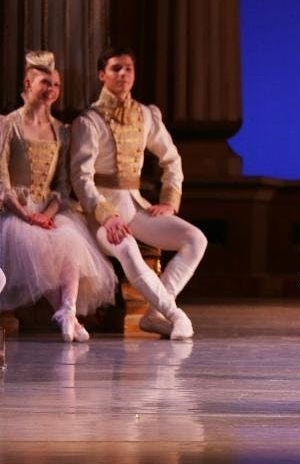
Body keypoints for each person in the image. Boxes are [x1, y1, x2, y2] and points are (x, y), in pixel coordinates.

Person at [71, 48, 207, 340]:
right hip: (101, 211)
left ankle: (155, 313)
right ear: (102, 75)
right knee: (128, 248)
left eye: (128, 69)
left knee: (195, 239)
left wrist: (169, 201)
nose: (123, 74)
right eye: (116, 68)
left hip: (135, 205)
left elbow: (171, 160)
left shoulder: (146, 115)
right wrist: (106, 216)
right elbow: (81, 178)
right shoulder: (89, 121)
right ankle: (174, 313)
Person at [0, 51, 117, 341]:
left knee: (70, 241)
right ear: (28, 83)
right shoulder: (8, 125)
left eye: (55, 85)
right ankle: (68, 316)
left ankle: (68, 311)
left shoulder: (62, 131)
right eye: (44, 82)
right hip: (14, 210)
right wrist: (27, 215)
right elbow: (2, 182)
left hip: (46, 210)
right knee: (37, 244)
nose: (51, 90)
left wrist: (47, 215)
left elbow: (63, 186)